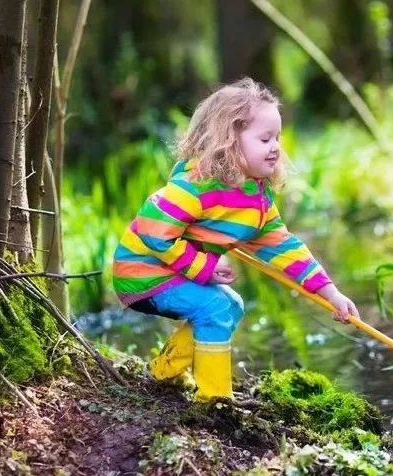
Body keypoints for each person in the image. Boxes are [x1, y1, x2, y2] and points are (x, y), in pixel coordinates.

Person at [112, 77, 359, 402]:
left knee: (231, 305)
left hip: (172, 273)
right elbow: (153, 233)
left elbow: (287, 250)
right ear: (227, 140)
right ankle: (214, 400)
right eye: (264, 138)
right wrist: (204, 266)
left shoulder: (255, 202)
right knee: (216, 306)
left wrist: (332, 294)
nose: (275, 147)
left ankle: (163, 372)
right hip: (141, 272)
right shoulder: (193, 187)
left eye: (277, 138)